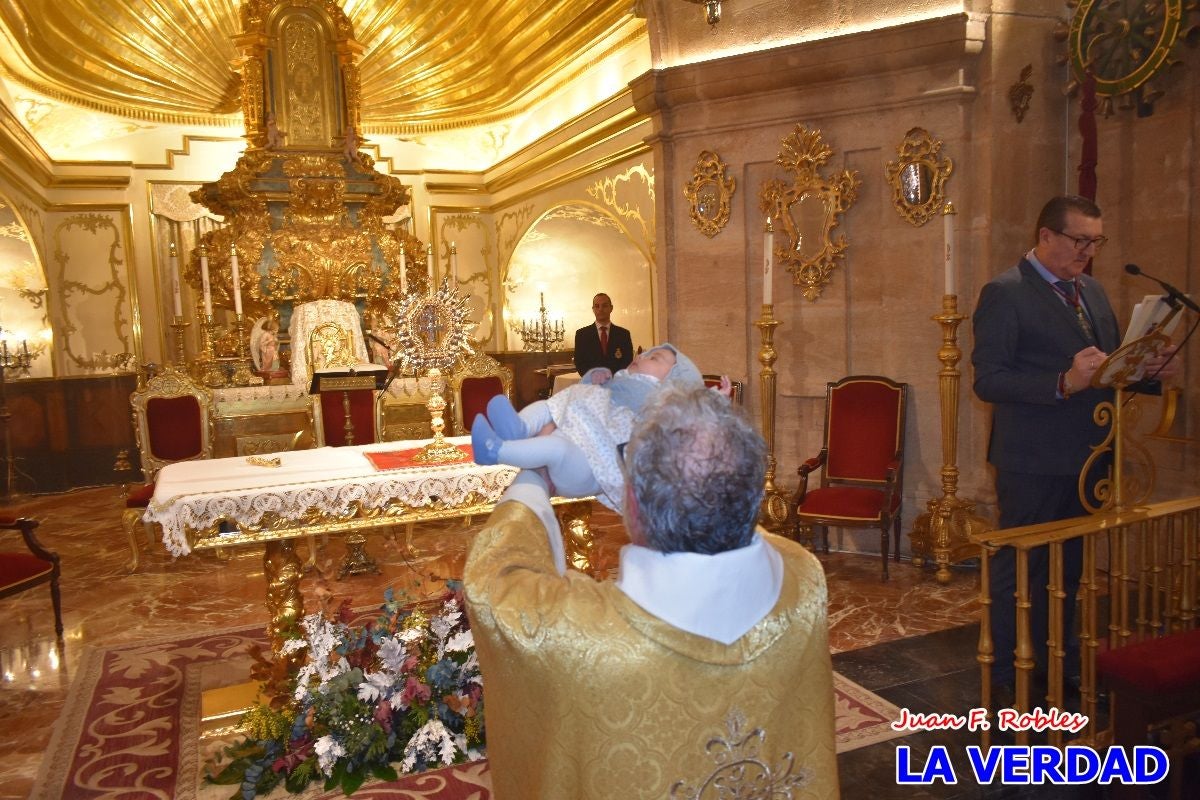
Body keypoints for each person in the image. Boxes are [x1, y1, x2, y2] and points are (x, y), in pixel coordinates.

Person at [463, 384, 839, 799]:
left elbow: (494, 582)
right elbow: (736, 522)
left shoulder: (572, 638)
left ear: (633, 506)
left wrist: (536, 476)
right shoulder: (803, 579)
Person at [972, 194, 1178, 691]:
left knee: (1069, 569)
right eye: (1079, 240)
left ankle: (1056, 663)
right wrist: (1063, 382)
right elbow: (989, 381)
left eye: (1095, 241)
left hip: (1089, 455)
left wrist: (1147, 373)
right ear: (1045, 236)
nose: (1088, 251)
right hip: (1032, 459)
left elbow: (1106, 370)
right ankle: (1004, 671)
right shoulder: (1006, 292)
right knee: (1022, 565)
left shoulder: (1093, 291)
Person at [471, 343, 706, 512]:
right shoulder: (623, 378)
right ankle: (518, 429)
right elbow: (592, 398)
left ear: (673, 382)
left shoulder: (661, 400)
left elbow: (681, 421)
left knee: (556, 448)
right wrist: (594, 378)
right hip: (580, 428)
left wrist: (702, 401)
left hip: (591, 461)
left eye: (654, 359)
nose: (643, 357)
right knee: (547, 406)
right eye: (646, 353)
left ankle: (496, 451)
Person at [573, 292, 633, 376]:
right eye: (597, 306)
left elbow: (627, 362)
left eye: (604, 305)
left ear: (611, 308)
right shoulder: (582, 335)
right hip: (592, 385)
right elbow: (580, 363)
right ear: (593, 309)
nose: (600, 309)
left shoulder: (623, 334)